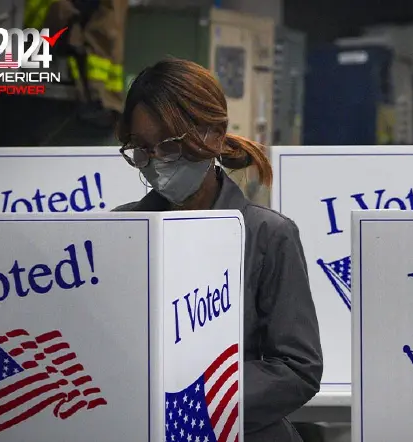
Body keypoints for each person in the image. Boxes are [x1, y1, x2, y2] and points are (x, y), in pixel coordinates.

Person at [112, 58, 323, 442]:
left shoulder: (267, 235)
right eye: (142, 151)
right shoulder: (121, 232)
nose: (156, 164)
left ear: (214, 135)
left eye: (170, 147)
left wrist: (195, 403)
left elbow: (298, 367)